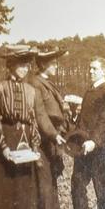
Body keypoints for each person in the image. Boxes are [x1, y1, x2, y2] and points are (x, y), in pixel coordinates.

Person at [0, 45, 66, 209]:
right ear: (10, 65)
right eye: (21, 65)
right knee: (1, 190)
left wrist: (35, 146)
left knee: (23, 191)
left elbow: (35, 121)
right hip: (5, 142)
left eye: (27, 66)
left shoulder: (30, 90)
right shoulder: (0, 88)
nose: (25, 69)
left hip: (25, 143)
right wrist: (2, 148)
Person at [70, 56, 105, 209]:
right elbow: (84, 120)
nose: (90, 71)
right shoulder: (89, 91)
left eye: (94, 69)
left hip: (98, 147)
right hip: (83, 146)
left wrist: (93, 142)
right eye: (89, 68)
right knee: (77, 183)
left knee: (100, 185)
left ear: (104, 71)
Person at [29, 48, 68, 182]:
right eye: (53, 63)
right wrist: (54, 134)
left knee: (51, 176)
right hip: (44, 138)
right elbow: (40, 114)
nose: (56, 66)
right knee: (45, 178)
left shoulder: (46, 82)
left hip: (52, 137)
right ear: (44, 65)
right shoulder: (35, 83)